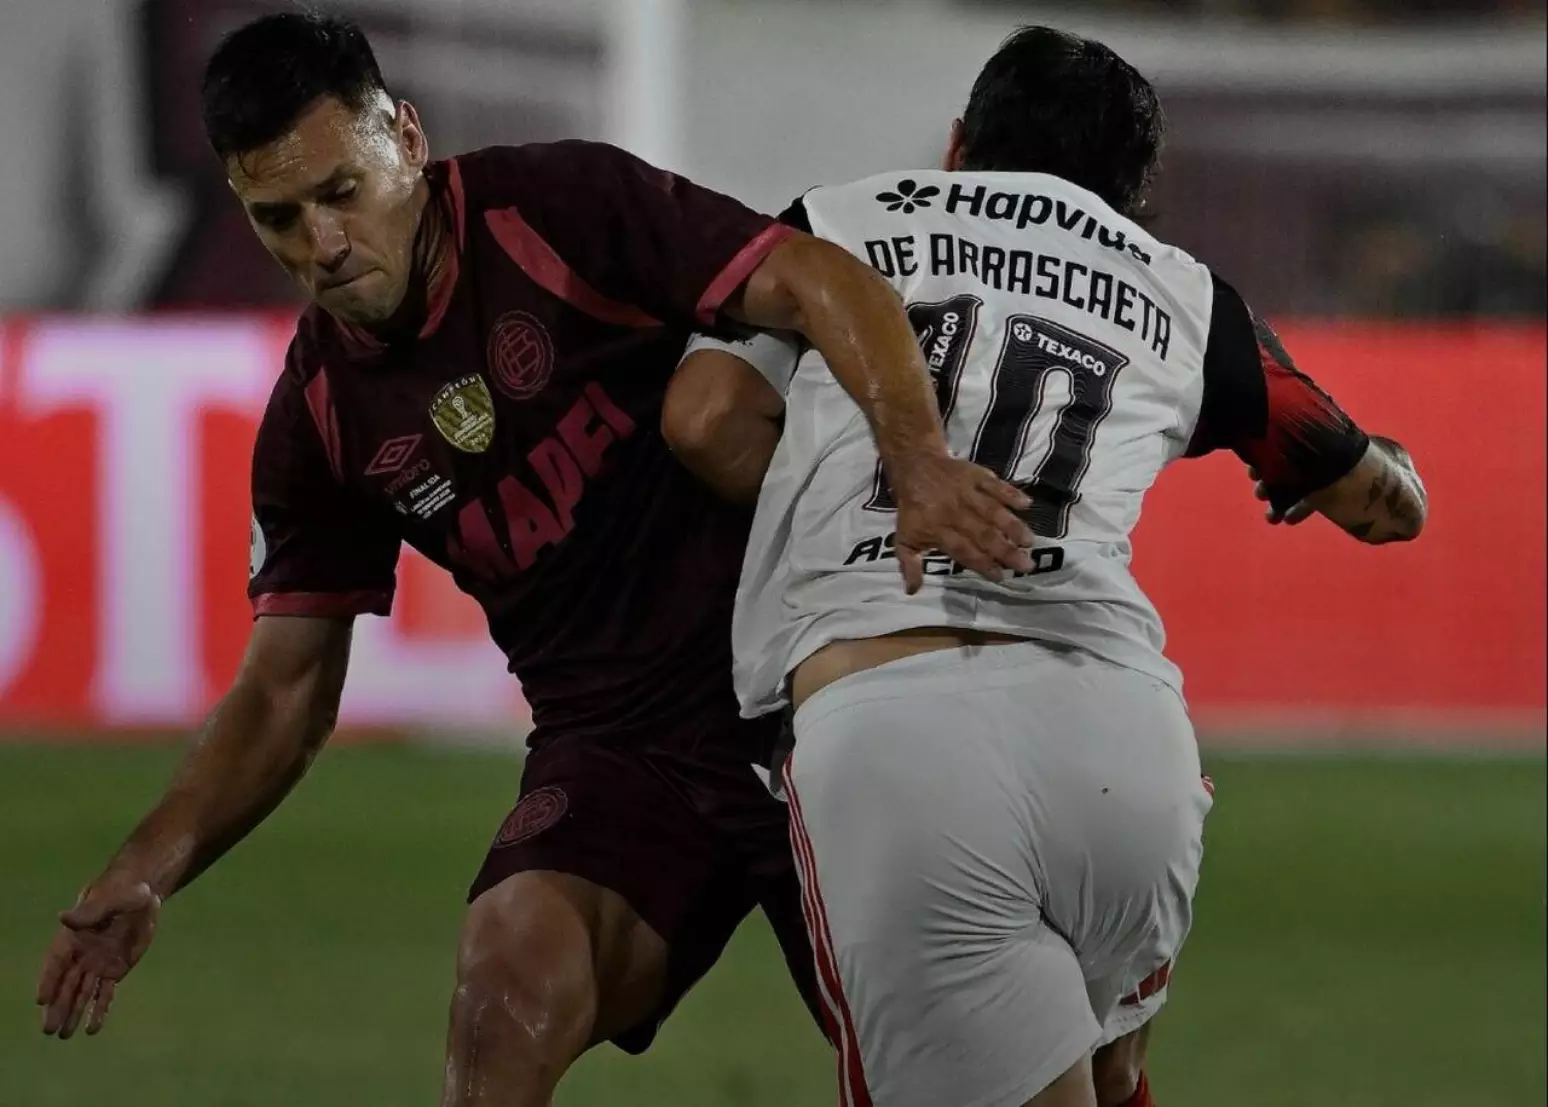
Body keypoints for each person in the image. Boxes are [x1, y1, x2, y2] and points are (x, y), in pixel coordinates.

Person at [33, 13, 1037, 1106]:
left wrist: (918, 459)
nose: (322, 244)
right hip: (622, 754)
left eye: (341, 193)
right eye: (278, 217)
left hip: (815, 693)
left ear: (405, 138)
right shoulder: (317, 420)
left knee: (961, 1081)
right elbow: (285, 694)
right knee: (505, 978)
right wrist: (144, 870)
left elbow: (810, 276)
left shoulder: (557, 208)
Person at [665, 25, 1427, 1107]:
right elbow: (1383, 507)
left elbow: (704, 419)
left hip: (896, 727)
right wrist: (1380, 465)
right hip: (1123, 744)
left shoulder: (837, 220)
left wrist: (828, 496)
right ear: (1133, 197)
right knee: (1107, 1077)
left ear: (957, 145)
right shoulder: (1189, 296)